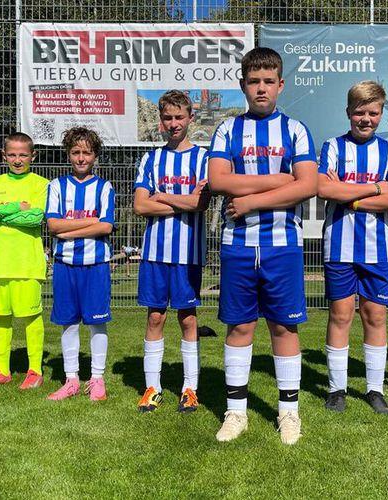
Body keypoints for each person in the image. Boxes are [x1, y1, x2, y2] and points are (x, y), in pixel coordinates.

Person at [207, 47, 317, 445]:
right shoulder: (227, 129)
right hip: (237, 244)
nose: (261, 88)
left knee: (284, 326)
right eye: (254, 81)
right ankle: (236, 411)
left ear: (280, 85)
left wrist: (251, 200)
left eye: (269, 81)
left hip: (282, 245)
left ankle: (288, 412)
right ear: (243, 85)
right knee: (239, 325)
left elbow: (309, 185)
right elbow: (218, 180)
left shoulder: (296, 129)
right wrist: (280, 181)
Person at [317, 80, 388, 414]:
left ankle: (374, 389)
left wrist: (350, 196)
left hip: (378, 250)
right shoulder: (333, 146)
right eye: (359, 113)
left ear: (381, 114)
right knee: (340, 316)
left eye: (373, 113)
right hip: (339, 247)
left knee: (375, 316)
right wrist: (376, 190)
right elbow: (325, 190)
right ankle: (336, 389)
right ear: (348, 113)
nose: (366, 119)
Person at [133, 90, 210, 413]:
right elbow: (140, 205)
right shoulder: (150, 159)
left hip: (187, 254)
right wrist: (183, 202)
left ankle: (190, 388)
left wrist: (162, 196)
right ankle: (153, 387)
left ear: (190, 118)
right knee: (155, 316)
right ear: (161, 121)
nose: (174, 123)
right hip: (155, 253)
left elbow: (201, 203)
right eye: (168, 118)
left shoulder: (204, 159)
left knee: (188, 318)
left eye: (180, 117)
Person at [0, 132, 49, 389]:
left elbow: (35, 218)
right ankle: (1, 369)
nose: (17, 160)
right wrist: (15, 207)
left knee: (31, 317)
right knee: (0, 317)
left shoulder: (41, 184)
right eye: (12, 154)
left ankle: (35, 369)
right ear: (3, 156)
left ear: (33, 156)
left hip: (27, 264)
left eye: (23, 155)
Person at [44, 127, 115, 401]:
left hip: (96, 263)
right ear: (68, 154)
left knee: (97, 322)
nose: (81, 158)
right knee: (69, 323)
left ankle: (97, 378)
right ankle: (71, 379)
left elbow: (106, 226)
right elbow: (53, 225)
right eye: (76, 152)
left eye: (87, 152)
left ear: (95, 155)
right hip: (65, 264)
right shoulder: (56, 186)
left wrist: (68, 231)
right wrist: (91, 222)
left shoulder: (104, 187)